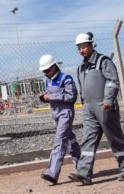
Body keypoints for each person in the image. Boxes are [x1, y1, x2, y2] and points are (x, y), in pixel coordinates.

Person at [68, 32, 124, 185]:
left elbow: (112, 81)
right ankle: (84, 173)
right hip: (89, 108)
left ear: (91, 45)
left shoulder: (103, 61)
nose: (81, 50)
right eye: (79, 48)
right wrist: (84, 104)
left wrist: (108, 99)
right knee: (88, 140)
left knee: (115, 138)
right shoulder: (81, 67)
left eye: (84, 47)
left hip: (104, 105)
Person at [38, 54, 81, 185]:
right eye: (43, 71)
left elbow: (71, 96)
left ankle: (52, 173)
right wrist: (45, 98)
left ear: (54, 67)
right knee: (71, 142)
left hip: (65, 114)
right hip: (56, 115)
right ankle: (83, 168)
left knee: (60, 141)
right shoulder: (48, 81)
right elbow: (53, 98)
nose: (45, 73)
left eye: (47, 70)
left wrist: (51, 97)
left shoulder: (65, 78)